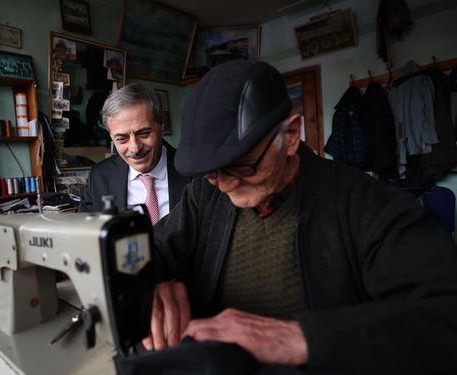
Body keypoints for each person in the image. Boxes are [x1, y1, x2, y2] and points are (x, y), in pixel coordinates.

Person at [142, 60, 457, 373]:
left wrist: (301, 337)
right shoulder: (205, 192)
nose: (224, 185)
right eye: (211, 172)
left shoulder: (366, 203)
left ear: (291, 135)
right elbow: (151, 251)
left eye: (242, 166)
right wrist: (148, 285)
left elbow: (443, 313)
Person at [78, 83, 191, 222]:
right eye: (122, 138)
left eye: (144, 133)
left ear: (162, 124)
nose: (135, 148)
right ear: (111, 137)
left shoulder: (195, 171)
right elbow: (86, 233)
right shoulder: (99, 177)